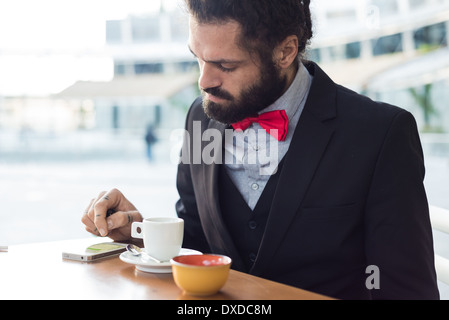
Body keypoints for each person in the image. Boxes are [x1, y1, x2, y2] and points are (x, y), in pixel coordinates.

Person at [81, 0, 440, 300]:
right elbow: (198, 242)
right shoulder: (199, 118)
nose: (204, 81)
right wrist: (140, 231)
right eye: (198, 58)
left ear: (285, 51)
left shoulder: (379, 133)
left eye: (225, 65)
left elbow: (407, 289)